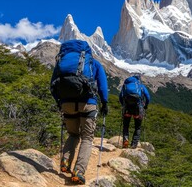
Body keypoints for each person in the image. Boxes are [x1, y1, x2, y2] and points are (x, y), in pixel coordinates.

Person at [50, 39, 108, 185]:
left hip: (67, 104)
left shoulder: (61, 63)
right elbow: (102, 85)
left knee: (73, 134)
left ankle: (65, 161)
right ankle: (79, 171)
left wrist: (60, 102)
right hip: (88, 104)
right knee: (87, 138)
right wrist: (105, 102)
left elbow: (53, 85)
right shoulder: (93, 63)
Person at [119, 75, 150, 149]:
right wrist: (146, 105)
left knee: (126, 126)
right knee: (137, 127)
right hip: (138, 109)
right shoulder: (141, 86)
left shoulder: (125, 86)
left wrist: (123, 105)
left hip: (127, 109)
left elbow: (120, 97)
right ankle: (134, 144)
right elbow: (148, 97)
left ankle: (125, 142)